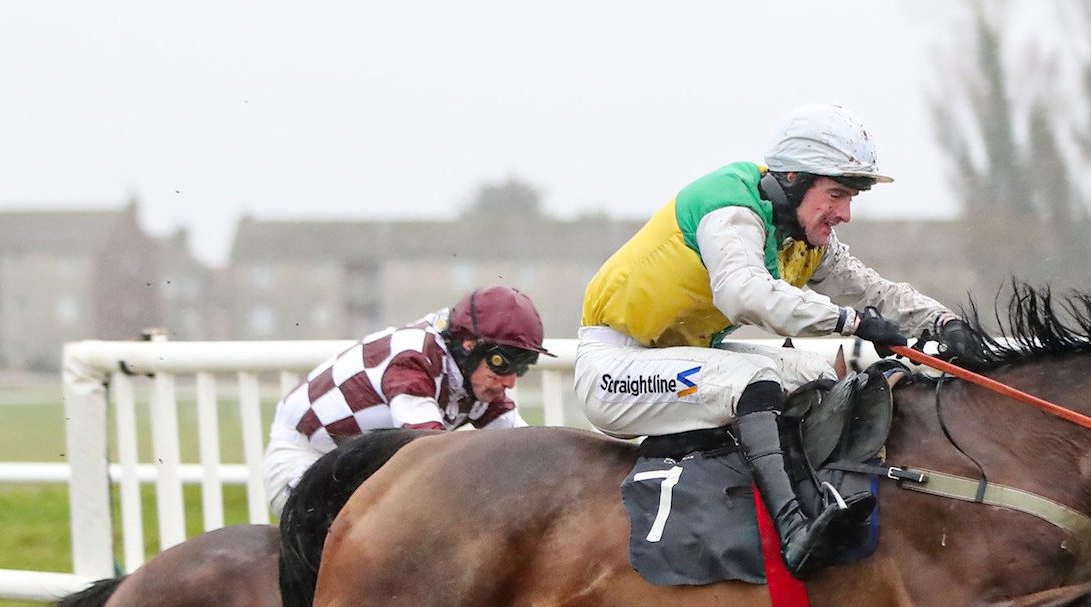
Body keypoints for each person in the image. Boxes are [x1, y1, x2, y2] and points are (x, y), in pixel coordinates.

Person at [576, 103, 989, 576]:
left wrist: (943, 323)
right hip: (615, 368)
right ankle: (792, 530)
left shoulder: (801, 235)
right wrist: (852, 322)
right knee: (755, 378)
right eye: (836, 194)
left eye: (850, 197)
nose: (845, 213)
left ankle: (828, 495)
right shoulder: (729, 211)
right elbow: (744, 295)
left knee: (818, 375)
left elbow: (873, 290)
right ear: (792, 178)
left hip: (680, 360)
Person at [263, 284, 552, 516]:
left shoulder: (475, 375)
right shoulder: (412, 360)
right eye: (502, 363)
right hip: (304, 459)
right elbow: (432, 457)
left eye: (521, 367)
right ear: (469, 345)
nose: (510, 381)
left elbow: (526, 448)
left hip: (354, 472)